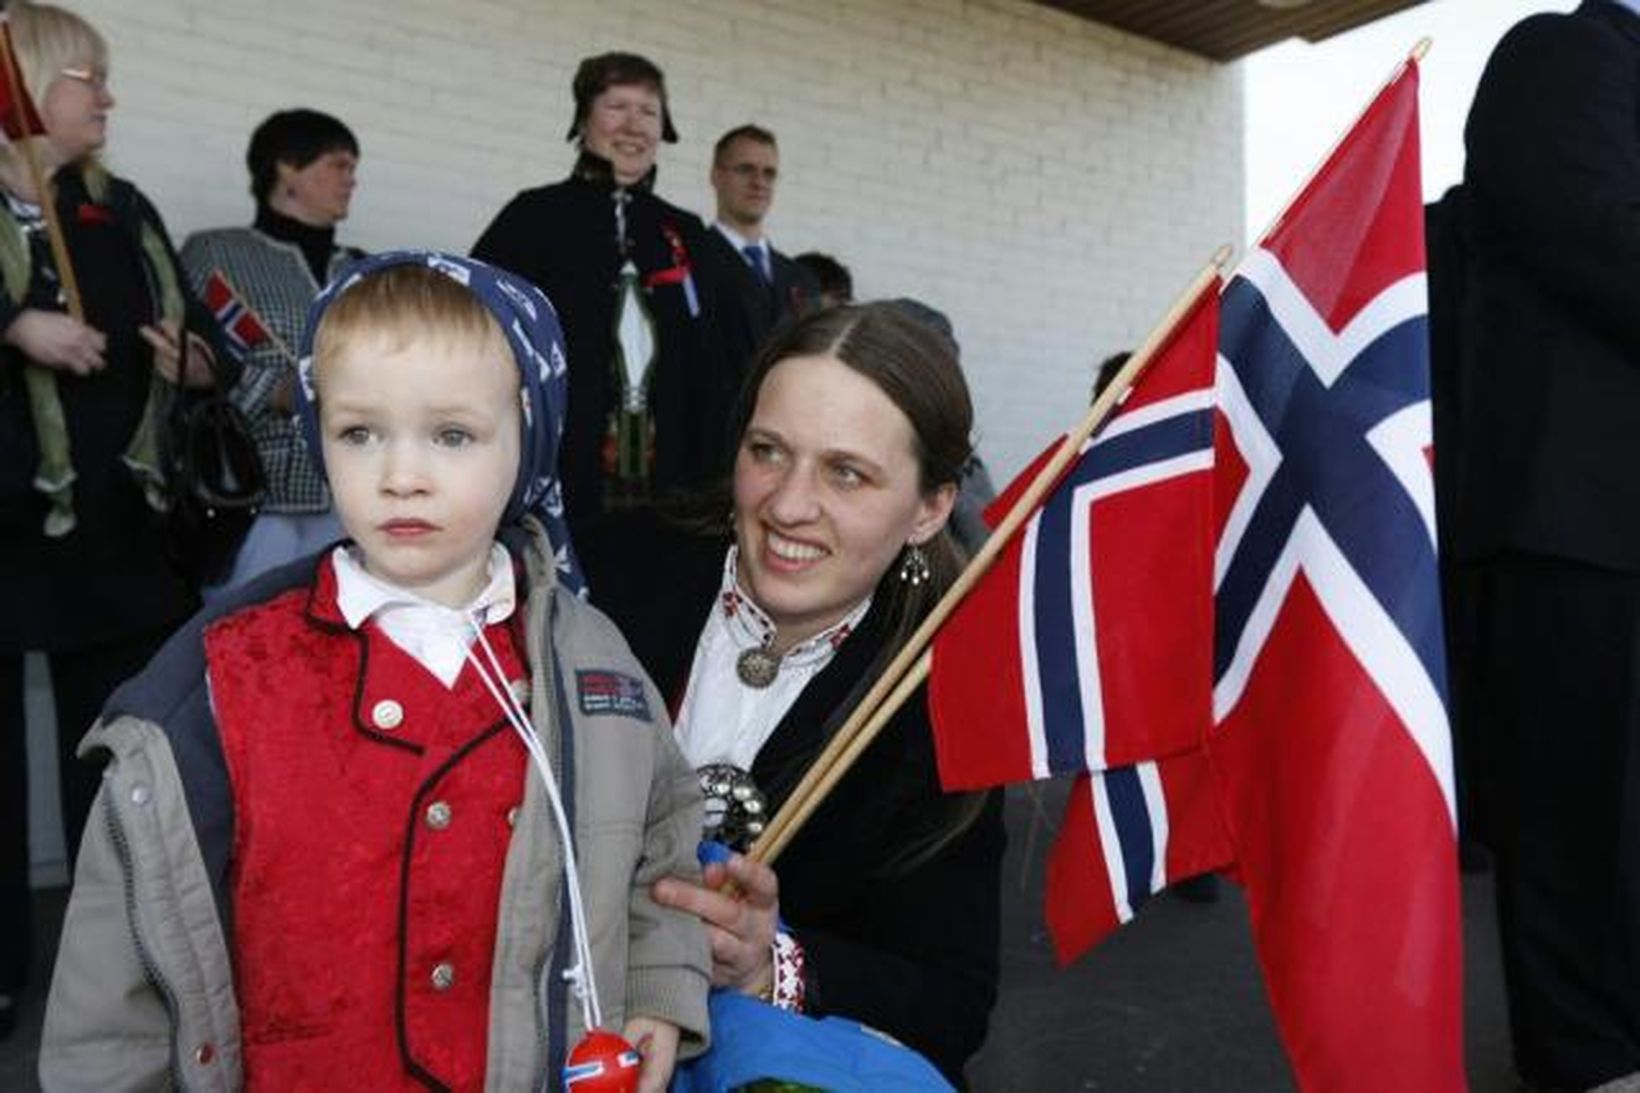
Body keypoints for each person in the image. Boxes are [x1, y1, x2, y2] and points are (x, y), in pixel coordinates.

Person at [39, 253, 709, 1091]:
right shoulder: (221, 680)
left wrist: (655, 986)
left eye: (452, 435)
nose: (400, 475)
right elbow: (115, 982)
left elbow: (663, 840)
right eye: (360, 432)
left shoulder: (595, 665)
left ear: (530, 436)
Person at [648, 303, 1005, 1084]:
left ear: (930, 507)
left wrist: (769, 966)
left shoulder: (942, 708)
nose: (788, 504)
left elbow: (951, 1005)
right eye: (769, 451)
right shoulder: (621, 582)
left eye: (847, 472)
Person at [0, 0, 225, 1042]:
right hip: (6, 533)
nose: (107, 97)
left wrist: (192, 360)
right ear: (31, 84)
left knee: (111, 764)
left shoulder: (116, 203)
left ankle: (111, 987)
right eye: (88, 77)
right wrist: (14, 323)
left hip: (117, 537)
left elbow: (197, 331)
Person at [1455, 3, 1640, 1088]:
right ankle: (1593, 1063)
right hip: (1580, 526)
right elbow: (1592, 234)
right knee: (1587, 829)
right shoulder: (1563, 52)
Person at [471, 52, 732, 681]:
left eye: (649, 109)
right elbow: (481, 337)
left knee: (655, 653)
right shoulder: (533, 218)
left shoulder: (687, 234)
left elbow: (723, 363)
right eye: (617, 106)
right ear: (583, 119)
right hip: (558, 491)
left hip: (670, 500)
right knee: (548, 650)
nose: (634, 124)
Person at [180, 108, 363, 593]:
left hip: (354, 498)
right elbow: (187, 358)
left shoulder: (365, 272)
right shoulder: (216, 253)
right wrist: (273, 392)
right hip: (255, 496)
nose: (351, 179)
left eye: (353, 168)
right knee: (240, 645)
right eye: (338, 164)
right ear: (286, 167)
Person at [698, 125, 819, 374]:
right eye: (746, 170)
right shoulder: (691, 261)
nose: (759, 182)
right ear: (716, 176)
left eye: (769, 173)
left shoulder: (801, 279)